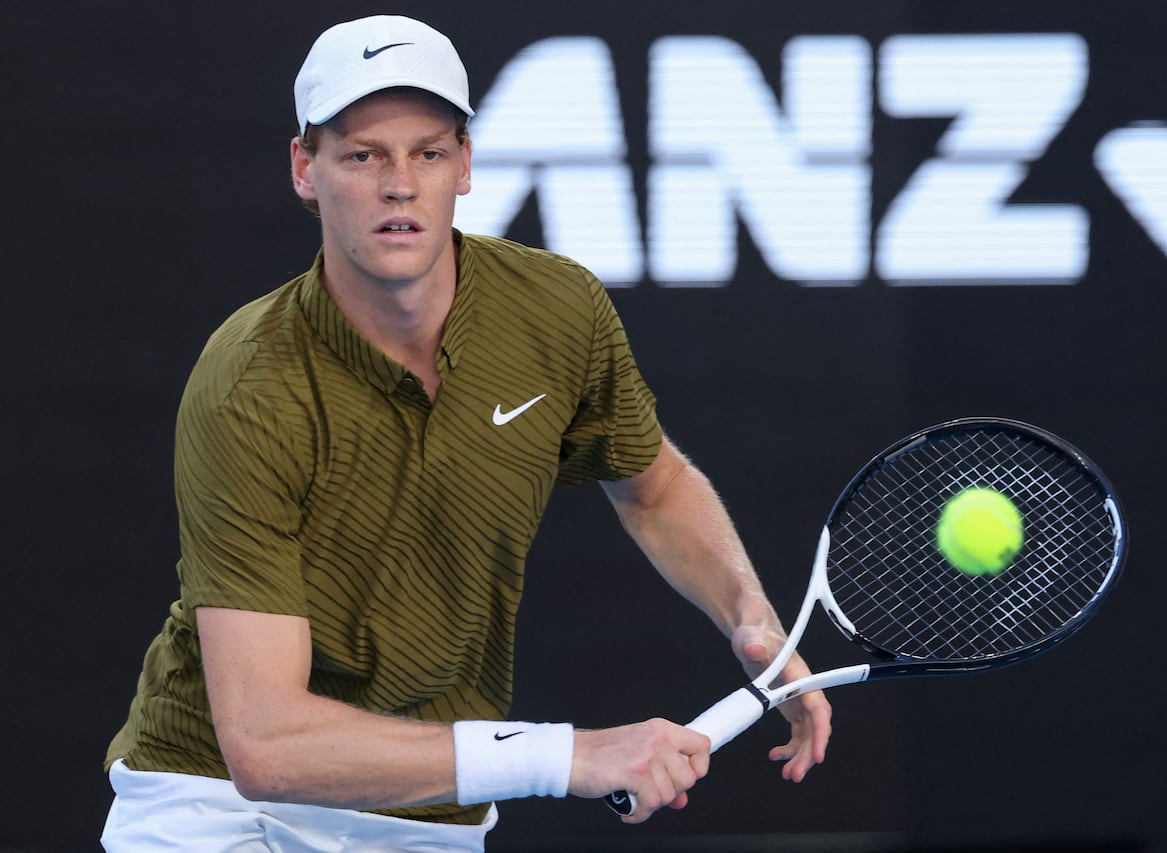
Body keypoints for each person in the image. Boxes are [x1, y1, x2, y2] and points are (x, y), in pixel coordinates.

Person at [101, 14, 831, 852]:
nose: (399, 184)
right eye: (363, 153)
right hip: (220, 805)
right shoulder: (250, 384)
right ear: (306, 170)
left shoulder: (558, 311)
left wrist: (752, 617)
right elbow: (266, 744)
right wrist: (570, 756)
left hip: (430, 818)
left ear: (467, 164)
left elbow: (653, 483)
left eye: (429, 152)